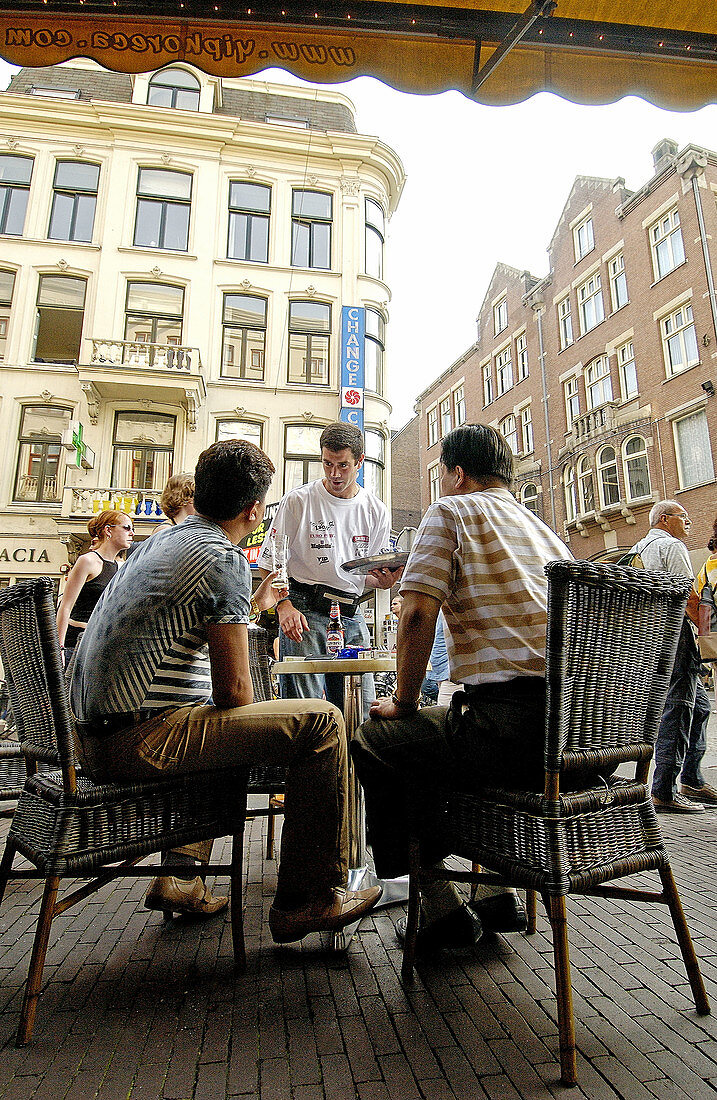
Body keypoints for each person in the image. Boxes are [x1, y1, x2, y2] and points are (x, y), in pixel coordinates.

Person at [70, 439, 381, 940]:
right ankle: (309, 898)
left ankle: (182, 879)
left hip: (91, 735)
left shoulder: (161, 543)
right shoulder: (223, 557)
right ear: (255, 509)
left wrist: (254, 604)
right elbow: (234, 691)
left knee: (217, 722)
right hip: (137, 740)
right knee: (323, 722)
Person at [352, 424, 573, 953]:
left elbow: (415, 615)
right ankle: (494, 891)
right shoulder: (544, 532)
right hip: (580, 738)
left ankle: (438, 905)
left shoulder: (449, 513)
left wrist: (403, 701)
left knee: (380, 740)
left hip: (508, 729)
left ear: (456, 473)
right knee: (433, 742)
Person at [256, 421, 400, 716]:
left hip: (351, 614)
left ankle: (353, 762)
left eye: (343, 465)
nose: (334, 473)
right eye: (327, 464)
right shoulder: (298, 500)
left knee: (359, 711)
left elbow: (364, 573)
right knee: (304, 713)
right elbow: (270, 563)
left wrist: (384, 582)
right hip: (304, 613)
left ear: (360, 461)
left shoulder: (376, 510)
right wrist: (283, 607)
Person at [628, 502, 710, 813]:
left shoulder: (639, 547)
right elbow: (687, 595)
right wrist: (709, 631)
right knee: (679, 710)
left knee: (699, 707)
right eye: (683, 517)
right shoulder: (670, 545)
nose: (688, 522)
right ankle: (664, 790)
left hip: (653, 639)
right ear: (665, 519)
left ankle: (691, 777)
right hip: (677, 636)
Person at [56, 510, 134, 666]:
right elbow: (65, 606)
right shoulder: (87, 561)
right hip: (77, 643)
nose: (131, 533)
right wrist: (59, 648)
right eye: (127, 528)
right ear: (108, 530)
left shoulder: (122, 566)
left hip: (102, 644)